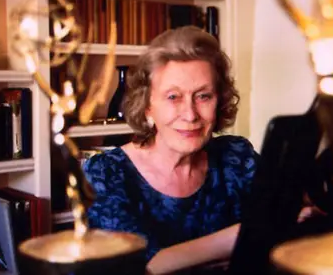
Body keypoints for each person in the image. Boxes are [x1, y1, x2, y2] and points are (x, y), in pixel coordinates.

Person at [83, 26, 259, 274]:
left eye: (203, 96)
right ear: (147, 107)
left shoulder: (237, 157)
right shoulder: (106, 174)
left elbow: (285, 211)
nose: (190, 114)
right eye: (173, 97)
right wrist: (245, 236)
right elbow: (140, 265)